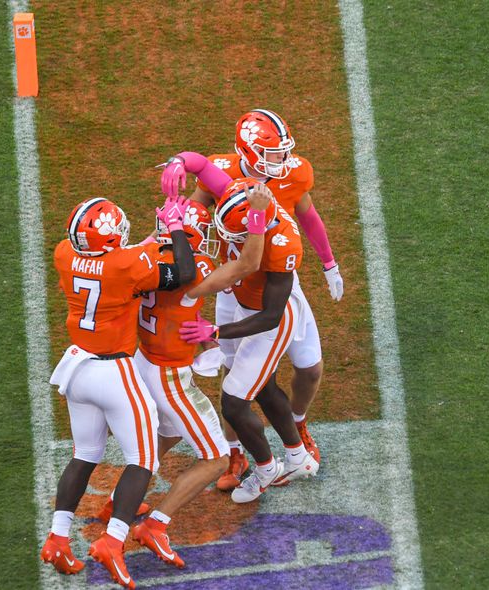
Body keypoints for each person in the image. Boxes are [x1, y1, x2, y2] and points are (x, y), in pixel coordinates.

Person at [164, 109, 338, 490]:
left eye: (282, 152)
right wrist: (180, 202)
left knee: (308, 368)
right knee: (238, 378)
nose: (283, 160)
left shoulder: (282, 226)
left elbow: (253, 260)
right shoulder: (225, 175)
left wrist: (328, 262)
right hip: (235, 285)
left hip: (272, 282)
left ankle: (295, 431)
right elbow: (198, 200)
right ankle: (237, 449)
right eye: (274, 153)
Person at [41, 195, 195, 588]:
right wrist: (175, 228)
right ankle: (113, 541)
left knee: (85, 454)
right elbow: (184, 271)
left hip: (77, 365)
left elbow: (120, 258)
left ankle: (58, 538)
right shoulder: (125, 264)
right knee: (144, 460)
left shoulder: (64, 253)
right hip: (113, 371)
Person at [128, 191, 271, 567]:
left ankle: (120, 501)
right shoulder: (195, 272)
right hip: (168, 373)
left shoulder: (142, 259)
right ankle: (156, 525)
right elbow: (248, 263)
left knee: (170, 431)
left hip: (144, 359)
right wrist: (256, 215)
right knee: (215, 458)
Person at [179, 177, 321, 503]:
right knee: (264, 385)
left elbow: (271, 315)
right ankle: (297, 457)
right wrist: (183, 162)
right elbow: (208, 172)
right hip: (245, 304)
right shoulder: (245, 198)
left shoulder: (283, 243)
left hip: (273, 319)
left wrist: (216, 333)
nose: (226, 240)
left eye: (234, 234)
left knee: (233, 400)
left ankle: (266, 467)